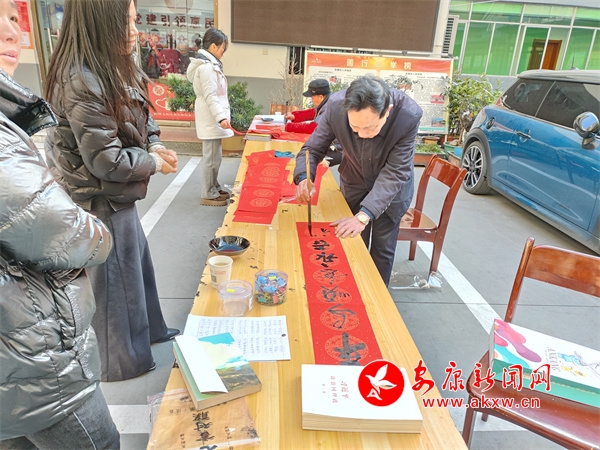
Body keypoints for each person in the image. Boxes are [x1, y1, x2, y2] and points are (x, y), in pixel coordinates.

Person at [0, 0, 120, 447]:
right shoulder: (83, 78)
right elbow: (60, 229)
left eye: (14, 17)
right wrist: (98, 233)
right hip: (33, 359)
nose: (12, 32)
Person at [44, 0, 180, 382]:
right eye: (127, 22)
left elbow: (144, 117)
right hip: (98, 198)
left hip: (117, 193)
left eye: (135, 21)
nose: (135, 31)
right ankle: (121, 362)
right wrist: (153, 162)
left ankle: (149, 332)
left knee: (136, 267)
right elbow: (106, 161)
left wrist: (154, 144)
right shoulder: (80, 78)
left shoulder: (110, 65)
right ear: (101, 22)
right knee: (115, 284)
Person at [294, 75, 423, 286]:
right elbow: (313, 148)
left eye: (371, 128)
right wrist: (304, 176)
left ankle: (378, 297)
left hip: (391, 192)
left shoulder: (407, 115)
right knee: (351, 242)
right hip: (355, 181)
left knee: (382, 249)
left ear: (387, 111)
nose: (362, 134)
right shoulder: (335, 108)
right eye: (355, 127)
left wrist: (364, 216)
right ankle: (352, 290)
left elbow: (395, 171)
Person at [187, 28, 233, 206]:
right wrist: (220, 117)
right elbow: (211, 96)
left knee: (215, 157)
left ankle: (213, 187)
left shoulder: (210, 65)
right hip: (211, 117)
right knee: (211, 158)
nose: (223, 52)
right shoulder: (207, 68)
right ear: (213, 46)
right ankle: (208, 193)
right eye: (222, 48)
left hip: (212, 117)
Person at [285, 78, 343, 166]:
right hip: (329, 145)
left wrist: (288, 127)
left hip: (337, 150)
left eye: (312, 96)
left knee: (304, 159)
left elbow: (313, 128)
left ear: (321, 97)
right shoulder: (328, 100)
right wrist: (294, 116)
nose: (311, 99)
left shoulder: (331, 107)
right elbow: (313, 112)